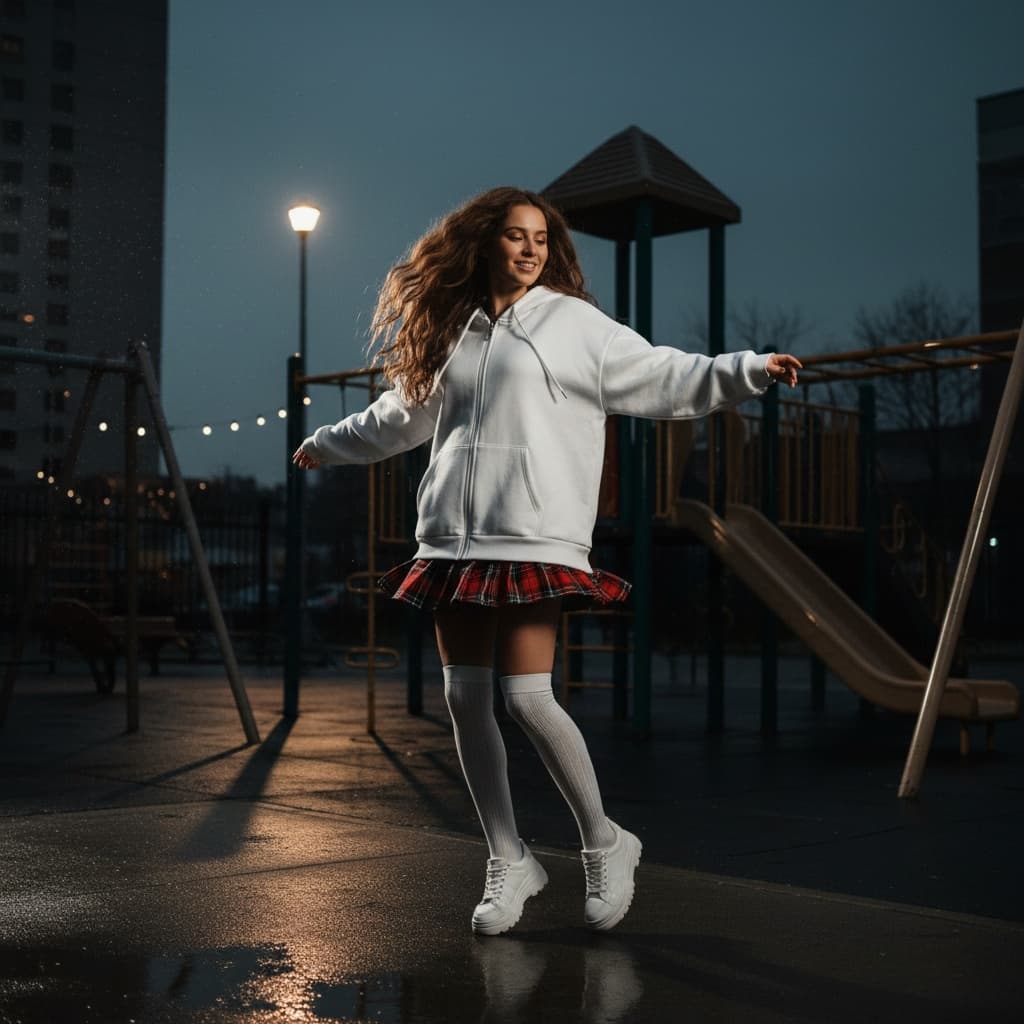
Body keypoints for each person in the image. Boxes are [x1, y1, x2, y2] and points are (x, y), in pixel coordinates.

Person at [294, 186, 801, 936]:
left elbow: (665, 375)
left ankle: (605, 841)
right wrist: (328, 443)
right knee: (466, 701)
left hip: (535, 536)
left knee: (527, 698)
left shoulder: (574, 325)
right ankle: (509, 859)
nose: (530, 248)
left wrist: (748, 369)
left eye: (540, 237)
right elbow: (401, 417)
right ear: (484, 243)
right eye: (514, 236)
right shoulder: (451, 331)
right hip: (452, 542)